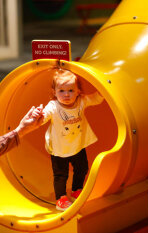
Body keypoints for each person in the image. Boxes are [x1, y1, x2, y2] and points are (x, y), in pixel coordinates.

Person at [32, 68, 104, 211]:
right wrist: (37, 115)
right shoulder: (53, 106)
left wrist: (104, 88)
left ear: (78, 91)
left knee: (82, 168)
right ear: (54, 92)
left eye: (71, 90)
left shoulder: (81, 101)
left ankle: (77, 189)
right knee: (60, 175)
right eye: (61, 91)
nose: (66, 95)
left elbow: (97, 98)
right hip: (59, 149)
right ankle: (61, 198)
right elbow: (44, 116)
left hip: (77, 145)